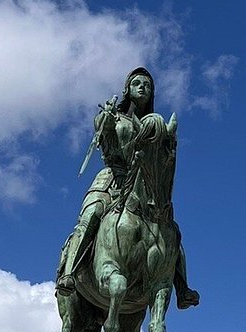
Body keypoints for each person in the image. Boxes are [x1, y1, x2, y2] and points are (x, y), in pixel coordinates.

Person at [55, 66, 198, 309]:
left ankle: (182, 288)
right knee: (91, 216)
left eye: (148, 84)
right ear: (127, 90)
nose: (143, 86)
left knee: (169, 230)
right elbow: (100, 131)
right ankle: (69, 273)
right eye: (137, 83)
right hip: (111, 179)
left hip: (143, 183)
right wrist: (106, 120)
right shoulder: (116, 117)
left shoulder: (153, 125)